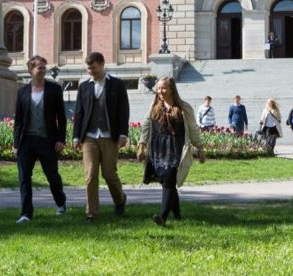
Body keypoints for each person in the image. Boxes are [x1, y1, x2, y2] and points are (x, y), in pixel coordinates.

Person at [137, 77, 206, 225]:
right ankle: (178, 215)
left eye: (164, 88)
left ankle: (162, 217)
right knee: (167, 182)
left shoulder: (184, 108)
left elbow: (193, 128)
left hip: (176, 149)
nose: (160, 91)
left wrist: (200, 147)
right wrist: (141, 145)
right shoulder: (154, 105)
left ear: (172, 89)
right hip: (158, 149)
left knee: (168, 179)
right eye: (158, 88)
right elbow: (146, 125)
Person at [72, 51, 129, 221]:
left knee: (109, 174)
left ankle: (120, 200)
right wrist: (76, 137)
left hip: (109, 136)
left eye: (94, 68)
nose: (91, 72)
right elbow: (79, 113)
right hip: (89, 137)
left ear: (102, 65)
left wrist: (123, 134)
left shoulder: (117, 85)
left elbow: (123, 111)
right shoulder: (84, 87)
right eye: (89, 69)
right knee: (90, 175)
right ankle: (92, 213)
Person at [12, 55, 67, 224]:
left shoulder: (54, 89)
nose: (43, 70)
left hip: (47, 140)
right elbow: (18, 120)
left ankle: (61, 202)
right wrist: (16, 144)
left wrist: (61, 139)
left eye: (44, 67)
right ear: (31, 70)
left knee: (52, 175)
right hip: (26, 141)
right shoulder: (22, 91)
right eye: (39, 67)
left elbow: (61, 117)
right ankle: (26, 213)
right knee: (24, 178)